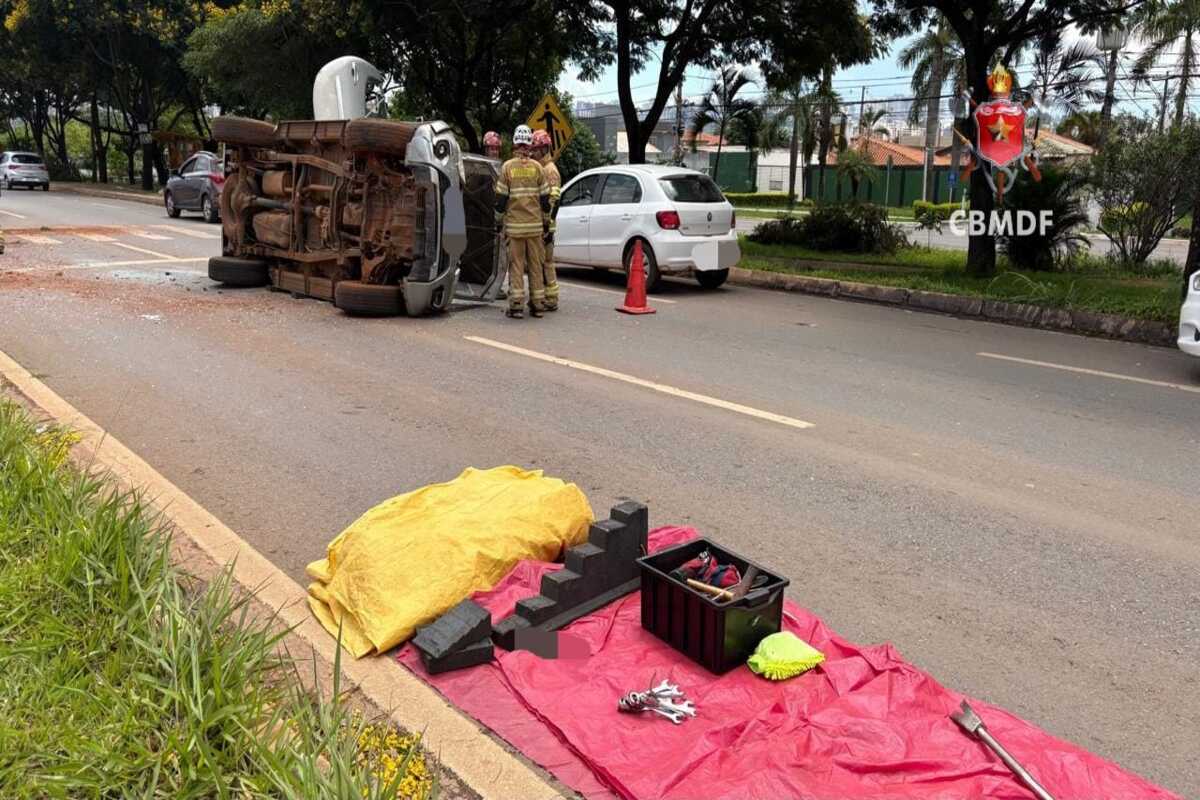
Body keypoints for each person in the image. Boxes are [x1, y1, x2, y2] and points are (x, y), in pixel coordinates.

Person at [494, 124, 550, 319]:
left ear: (515, 143)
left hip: (515, 229)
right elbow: (545, 200)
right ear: (529, 145)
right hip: (535, 228)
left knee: (516, 266)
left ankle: (517, 306)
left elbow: (500, 201)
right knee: (536, 265)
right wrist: (546, 223)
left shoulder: (507, 167)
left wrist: (498, 223)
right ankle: (538, 305)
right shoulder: (538, 168)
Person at [531, 128, 561, 311]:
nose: (532, 153)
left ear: (543, 149)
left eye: (535, 150)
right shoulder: (541, 168)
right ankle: (542, 296)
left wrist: (547, 227)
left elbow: (553, 202)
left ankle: (551, 298)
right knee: (539, 263)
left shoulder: (550, 171)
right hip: (541, 224)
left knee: (546, 263)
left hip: (546, 226)